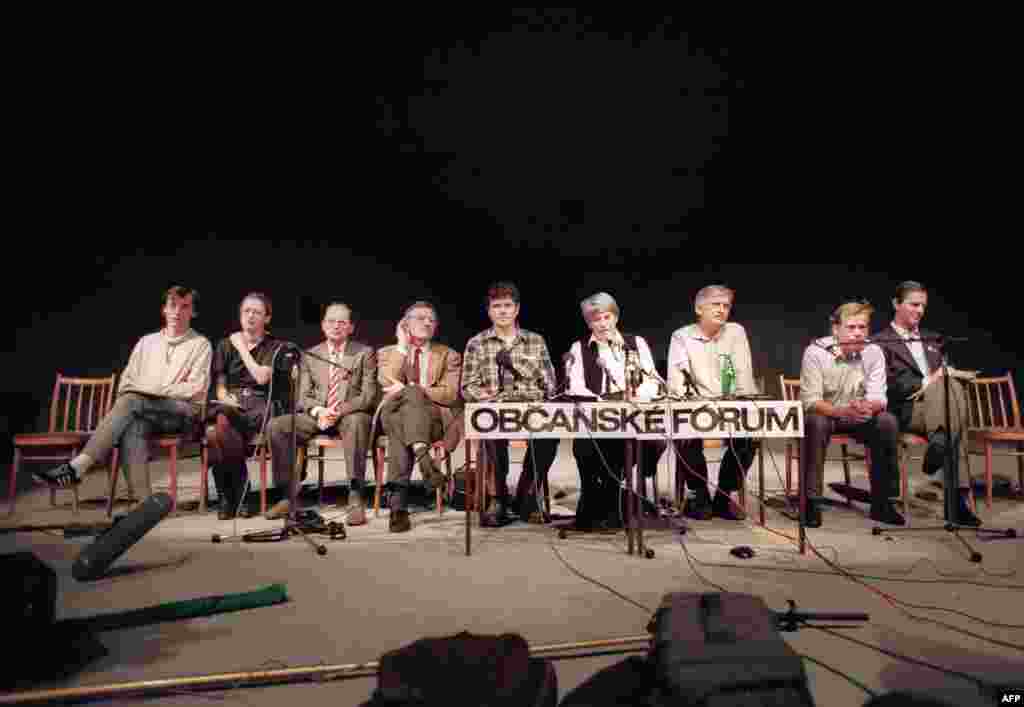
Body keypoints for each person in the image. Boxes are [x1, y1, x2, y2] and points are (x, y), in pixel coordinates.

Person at [36, 286, 212, 503]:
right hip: (146, 411)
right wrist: (155, 391)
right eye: (172, 306)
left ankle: (78, 466)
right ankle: (144, 503)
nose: (177, 312)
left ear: (193, 313)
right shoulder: (146, 342)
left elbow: (196, 388)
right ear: (163, 310)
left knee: (132, 401)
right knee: (132, 424)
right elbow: (126, 382)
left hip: (182, 413)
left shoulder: (200, 344)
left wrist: (154, 389)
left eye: (184, 307)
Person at [872, 281, 981, 526]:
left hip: (937, 407)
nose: (920, 310)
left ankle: (940, 439)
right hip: (906, 408)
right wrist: (930, 381)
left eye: (923, 306)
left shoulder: (933, 339)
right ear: (896, 304)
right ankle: (956, 502)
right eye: (914, 304)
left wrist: (946, 375)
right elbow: (890, 386)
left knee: (951, 391)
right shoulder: (880, 342)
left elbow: (942, 373)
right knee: (952, 409)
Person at [265, 302, 378, 523]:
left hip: (349, 413)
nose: (336, 326)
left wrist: (337, 410)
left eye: (342, 322)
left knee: (356, 422)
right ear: (323, 325)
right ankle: (288, 495)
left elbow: (368, 396)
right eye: (331, 321)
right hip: (318, 415)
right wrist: (319, 411)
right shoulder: (311, 355)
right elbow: (303, 396)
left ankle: (355, 496)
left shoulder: (364, 353)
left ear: (351, 327)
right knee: (277, 426)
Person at [799, 300, 905, 527]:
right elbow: (811, 401)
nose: (858, 333)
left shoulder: (874, 351)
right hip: (827, 413)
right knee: (815, 423)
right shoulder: (816, 352)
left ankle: (883, 502)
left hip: (858, 415)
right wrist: (841, 411)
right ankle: (811, 501)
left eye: (862, 327)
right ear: (836, 329)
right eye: (851, 327)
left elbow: (879, 396)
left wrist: (868, 407)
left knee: (886, 422)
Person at [461, 282, 559, 526]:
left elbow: (550, 384)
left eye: (507, 306)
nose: (502, 311)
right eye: (497, 306)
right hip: (495, 410)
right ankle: (498, 498)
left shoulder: (535, 341)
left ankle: (526, 496)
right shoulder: (477, 343)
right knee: (490, 435)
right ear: (489, 311)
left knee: (549, 436)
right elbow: (467, 386)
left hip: (530, 410)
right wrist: (481, 395)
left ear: (516, 310)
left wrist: (517, 363)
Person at [565, 292, 664, 529]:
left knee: (628, 442)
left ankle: (608, 500)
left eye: (607, 317)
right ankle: (600, 499)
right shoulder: (579, 348)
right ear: (589, 323)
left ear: (616, 317)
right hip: (597, 418)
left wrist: (639, 396)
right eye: (595, 320)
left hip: (633, 416)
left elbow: (653, 379)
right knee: (585, 446)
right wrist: (601, 402)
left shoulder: (635, 343)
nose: (602, 324)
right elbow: (575, 385)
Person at [666, 284, 758, 520]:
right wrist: (701, 404)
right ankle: (699, 493)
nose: (721, 310)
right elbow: (677, 384)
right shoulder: (681, 336)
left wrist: (738, 404)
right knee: (683, 430)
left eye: (726, 306)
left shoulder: (736, 332)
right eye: (715, 305)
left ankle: (724, 494)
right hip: (698, 407)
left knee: (752, 433)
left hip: (730, 408)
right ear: (699, 308)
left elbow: (743, 375)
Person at [377, 301, 463, 533]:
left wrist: (413, 390)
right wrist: (402, 346)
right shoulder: (387, 354)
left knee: (409, 402)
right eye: (420, 318)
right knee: (402, 412)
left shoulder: (448, 355)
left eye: (431, 319)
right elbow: (385, 382)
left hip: (432, 420)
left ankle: (398, 507)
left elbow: (450, 394)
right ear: (405, 324)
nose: (427, 322)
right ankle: (425, 461)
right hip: (393, 414)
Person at [206, 293, 289, 519]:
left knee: (216, 434)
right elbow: (221, 385)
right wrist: (224, 397)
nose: (250, 316)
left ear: (267, 318)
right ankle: (240, 491)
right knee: (220, 424)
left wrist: (241, 347)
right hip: (232, 404)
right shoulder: (224, 345)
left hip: (260, 405)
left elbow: (262, 378)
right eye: (246, 311)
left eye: (257, 312)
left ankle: (229, 496)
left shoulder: (275, 346)